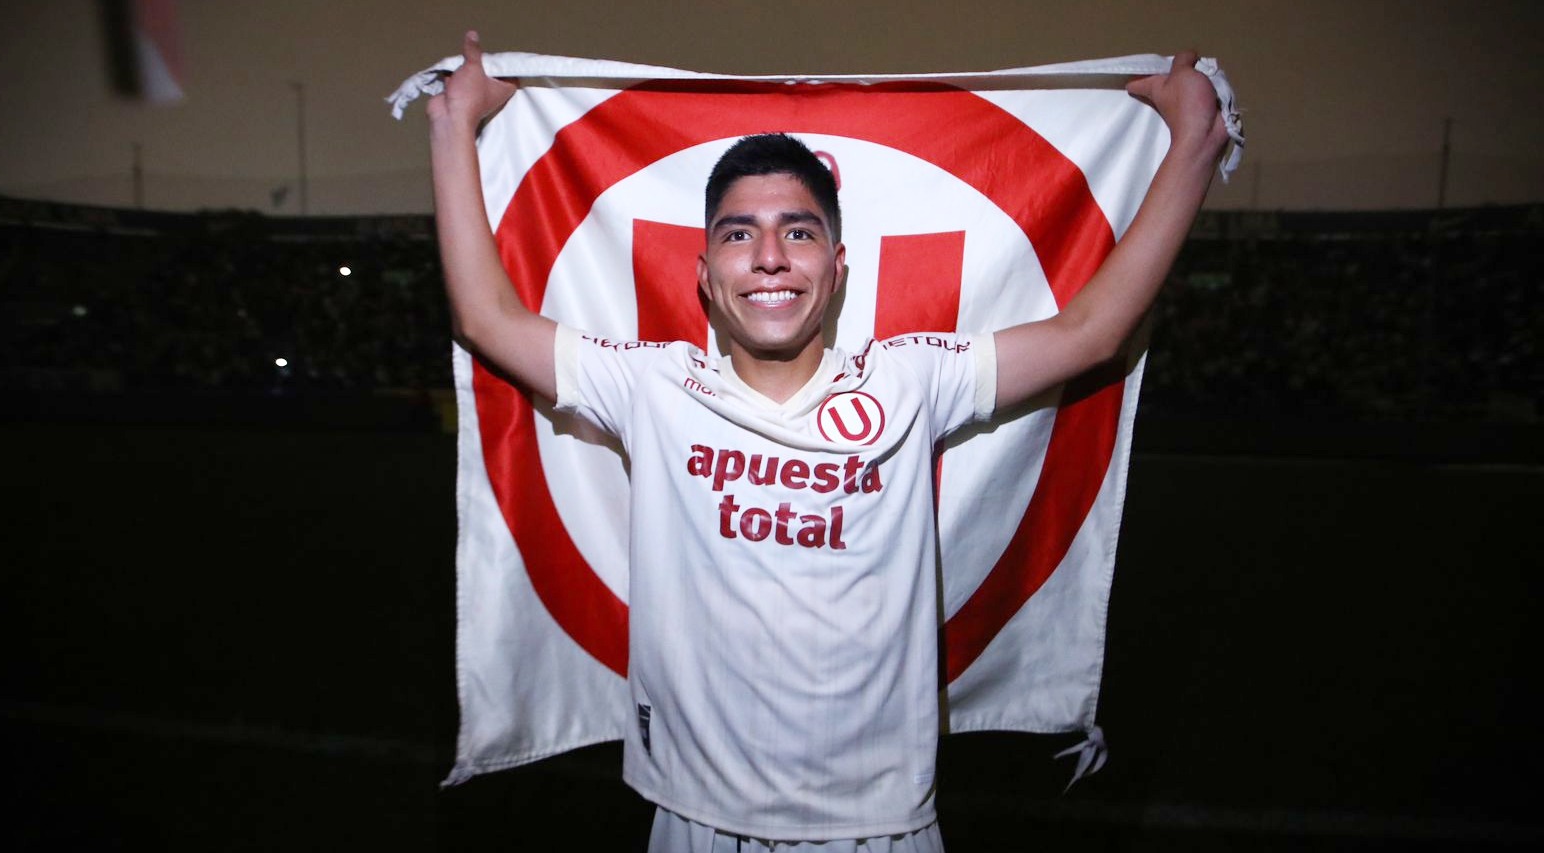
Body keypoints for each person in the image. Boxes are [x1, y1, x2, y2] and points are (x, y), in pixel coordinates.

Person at [427, 30, 1227, 852]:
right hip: (694, 819)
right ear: (704, 274)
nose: (770, 258)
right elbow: (487, 318)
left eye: (799, 233)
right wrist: (454, 127)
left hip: (880, 827)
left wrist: (1192, 143)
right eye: (739, 234)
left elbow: (1090, 332)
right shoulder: (652, 384)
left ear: (838, 268)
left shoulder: (912, 378)